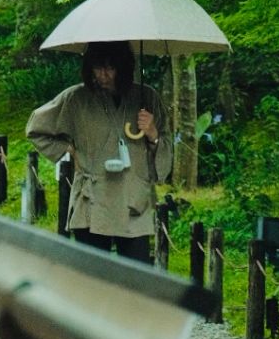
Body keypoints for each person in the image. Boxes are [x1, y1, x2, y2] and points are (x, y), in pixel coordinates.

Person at [26, 40, 173, 262]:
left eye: (110, 68)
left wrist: (152, 133)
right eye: (98, 67)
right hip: (91, 201)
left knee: (134, 279)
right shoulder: (75, 98)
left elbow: (166, 147)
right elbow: (35, 129)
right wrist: (67, 149)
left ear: (123, 67)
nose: (103, 75)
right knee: (93, 276)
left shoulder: (147, 98)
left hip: (133, 200)